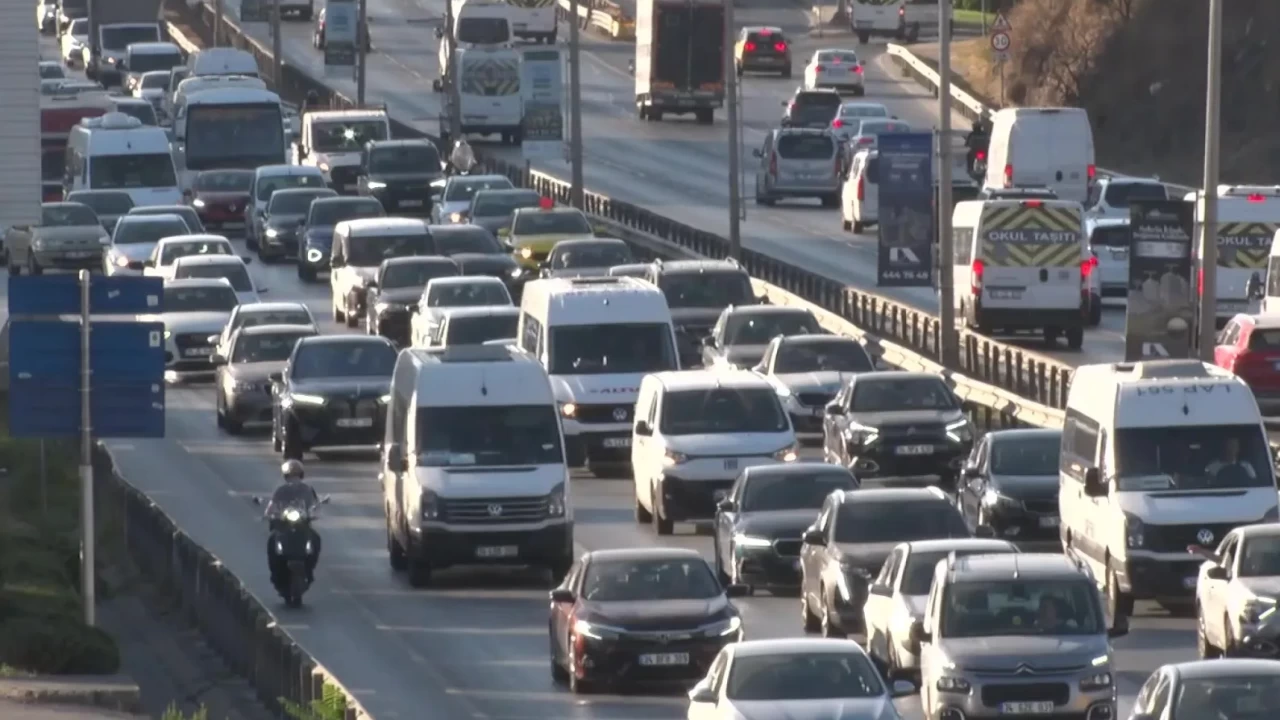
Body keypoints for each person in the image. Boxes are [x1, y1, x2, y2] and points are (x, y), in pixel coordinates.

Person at [265, 460, 322, 583]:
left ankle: (309, 569)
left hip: (302, 524)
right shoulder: (280, 490)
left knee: (316, 539)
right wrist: (271, 514)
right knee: (272, 540)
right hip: (283, 525)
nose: (293, 479)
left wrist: (313, 514)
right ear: (286, 477)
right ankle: (274, 572)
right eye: (291, 476)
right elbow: (271, 506)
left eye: (296, 476)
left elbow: (315, 505)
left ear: (301, 476)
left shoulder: (308, 489)